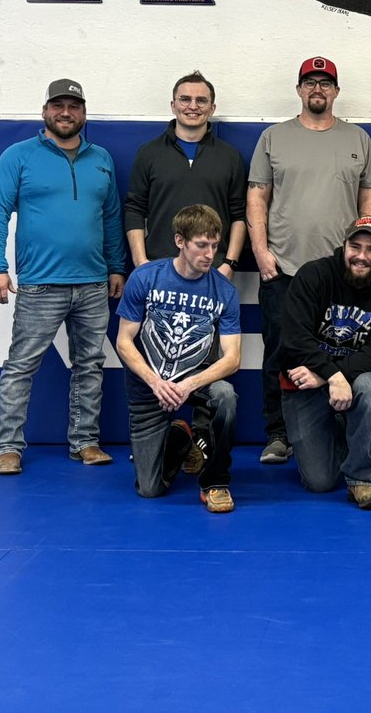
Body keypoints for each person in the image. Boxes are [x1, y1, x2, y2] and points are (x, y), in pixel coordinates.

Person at [0, 78, 125, 475]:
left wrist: (116, 266)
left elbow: (111, 216)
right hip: (40, 284)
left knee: (90, 366)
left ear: (84, 112)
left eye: (74, 106)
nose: (66, 113)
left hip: (93, 284)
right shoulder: (18, 156)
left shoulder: (102, 158)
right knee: (21, 366)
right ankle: (8, 448)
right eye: (58, 106)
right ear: (45, 111)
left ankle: (85, 442)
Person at [247, 57, 371, 465]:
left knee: (341, 349)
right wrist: (261, 252)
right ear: (299, 90)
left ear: (336, 91)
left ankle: (337, 432)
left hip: (342, 273)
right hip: (285, 268)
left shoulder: (358, 139)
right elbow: (257, 196)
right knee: (279, 352)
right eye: (310, 82)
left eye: (325, 83)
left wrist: (365, 254)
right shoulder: (273, 137)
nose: (317, 89)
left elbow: (369, 197)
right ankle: (278, 434)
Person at [115, 205, 241, 513]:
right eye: (202, 245)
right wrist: (155, 382)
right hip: (149, 384)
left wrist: (188, 385)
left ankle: (215, 482)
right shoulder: (146, 278)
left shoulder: (224, 290)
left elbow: (232, 359)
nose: (210, 254)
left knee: (225, 396)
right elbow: (123, 342)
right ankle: (181, 437)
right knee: (150, 489)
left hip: (193, 379)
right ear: (180, 241)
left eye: (215, 245)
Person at [279, 216, 371, 509]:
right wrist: (333, 377)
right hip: (305, 383)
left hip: (343, 379)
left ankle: (363, 479)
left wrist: (329, 375)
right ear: (344, 244)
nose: (361, 256)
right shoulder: (314, 275)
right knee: (320, 482)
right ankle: (341, 428)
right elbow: (294, 339)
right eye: (355, 246)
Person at [124, 70, 247, 277]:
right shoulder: (149, 153)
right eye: (185, 99)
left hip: (213, 270)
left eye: (201, 100)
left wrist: (229, 264)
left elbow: (239, 214)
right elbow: (134, 209)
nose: (193, 106)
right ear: (173, 105)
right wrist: (141, 262)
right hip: (159, 269)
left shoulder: (230, 156)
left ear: (212, 108)